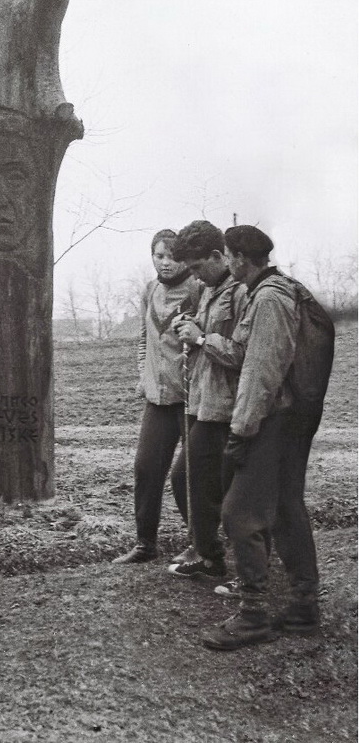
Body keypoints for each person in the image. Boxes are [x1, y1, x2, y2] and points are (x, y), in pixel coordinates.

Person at [202, 225, 332, 650]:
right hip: (288, 420)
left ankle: (254, 616)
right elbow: (244, 353)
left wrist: (241, 429)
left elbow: (261, 374)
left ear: (239, 257)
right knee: (285, 509)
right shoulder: (269, 292)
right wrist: (207, 340)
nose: (225, 261)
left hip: (274, 421)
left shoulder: (271, 298)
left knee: (239, 514)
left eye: (227, 255)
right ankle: (302, 607)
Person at [113, 230, 201, 565]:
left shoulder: (198, 289)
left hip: (191, 398)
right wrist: (144, 375)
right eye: (159, 255)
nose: (165, 263)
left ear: (185, 259)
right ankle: (145, 544)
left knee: (189, 476)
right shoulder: (150, 290)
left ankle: (201, 545)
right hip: (158, 398)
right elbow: (142, 340)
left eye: (173, 256)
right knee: (146, 468)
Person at [165, 221, 247, 581]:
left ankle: (222, 558)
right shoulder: (210, 288)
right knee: (190, 480)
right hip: (203, 402)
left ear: (218, 256)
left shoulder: (242, 292)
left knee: (217, 486)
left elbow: (243, 354)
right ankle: (208, 551)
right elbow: (205, 329)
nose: (195, 275)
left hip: (228, 409)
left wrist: (200, 339)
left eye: (198, 266)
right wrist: (188, 327)